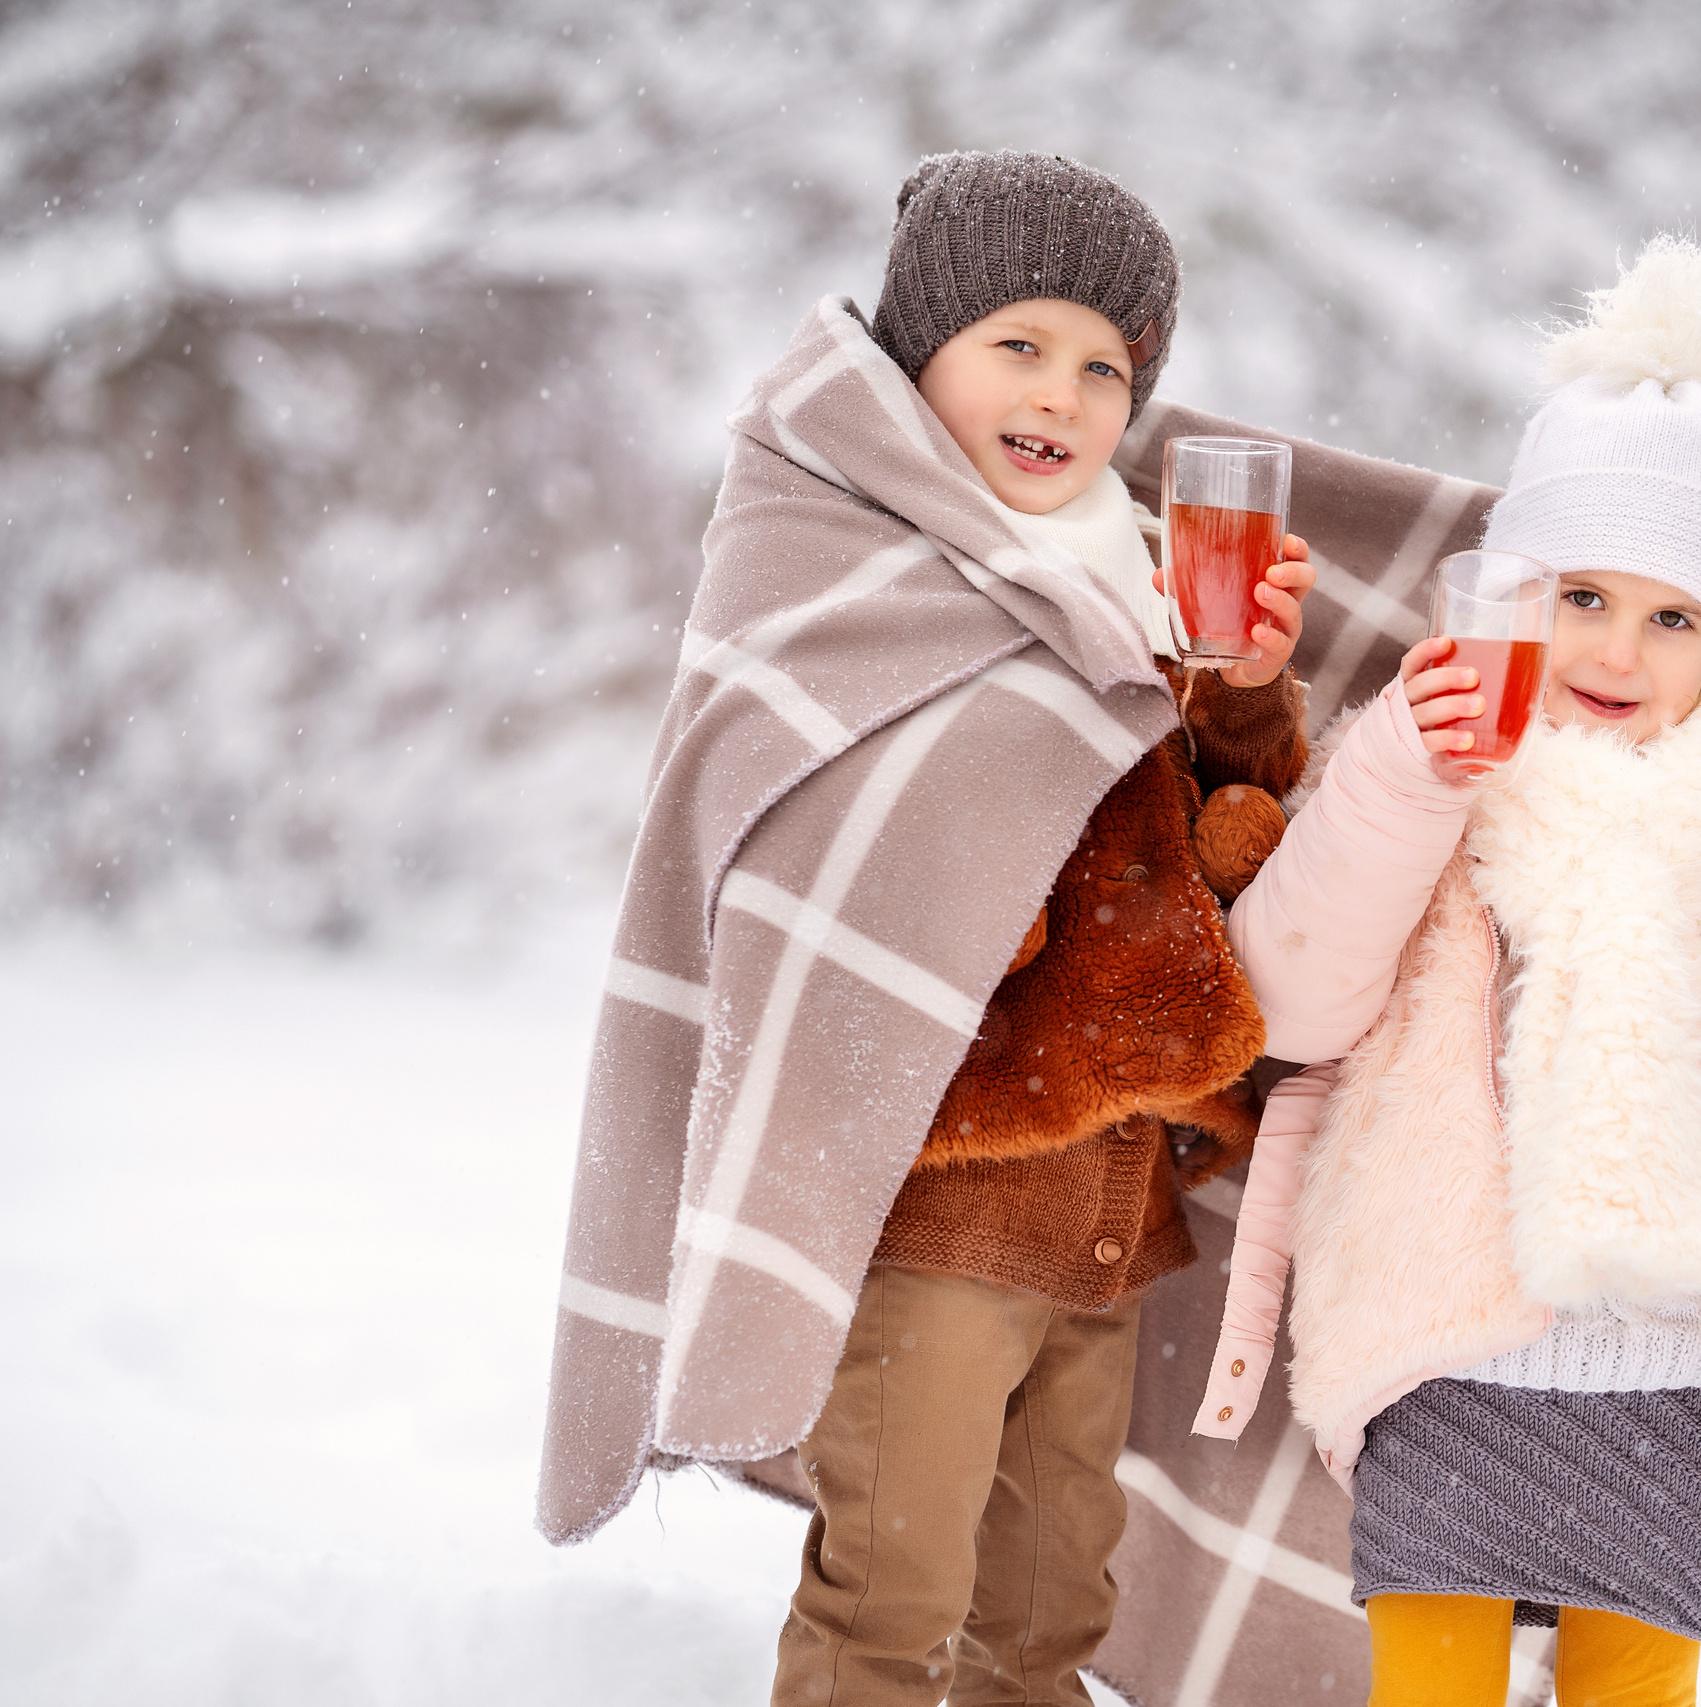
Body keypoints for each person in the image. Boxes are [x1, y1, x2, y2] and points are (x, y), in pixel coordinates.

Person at [534, 150, 1316, 1707]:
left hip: (1103, 1205)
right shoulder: (843, 557)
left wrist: (1236, 691)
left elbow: (1209, 841)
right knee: (892, 1589)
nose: (1067, 394)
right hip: (937, 1192)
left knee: (1047, 1610)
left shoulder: (1133, 571)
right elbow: (818, 858)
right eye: (1018, 346)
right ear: (919, 361)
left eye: (1108, 366)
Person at [1190, 237, 1701, 1704]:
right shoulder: (1437, 761)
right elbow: (1292, 996)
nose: (1621, 647)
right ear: (1515, 602)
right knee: (1433, 1683)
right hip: (1441, 1330)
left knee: (1635, 1687)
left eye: (1671, 616)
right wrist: (1408, 780)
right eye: (1583, 598)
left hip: (1678, 1359)